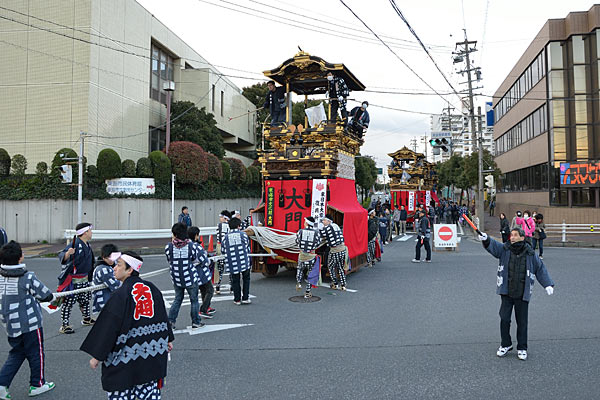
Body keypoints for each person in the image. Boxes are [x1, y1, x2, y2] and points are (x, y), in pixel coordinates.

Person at [80, 251, 174, 399]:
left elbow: (108, 326)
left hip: (127, 358)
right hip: (151, 354)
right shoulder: (152, 288)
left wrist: (97, 356)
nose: (114, 268)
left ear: (130, 270)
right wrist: (168, 337)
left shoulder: (121, 294)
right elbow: (161, 316)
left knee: (121, 390)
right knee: (148, 392)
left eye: (118, 265)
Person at [478, 228, 554, 361]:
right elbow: (495, 247)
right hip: (506, 291)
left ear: (522, 237)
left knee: (522, 322)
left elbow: (540, 268)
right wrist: (486, 239)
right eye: (511, 235)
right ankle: (505, 344)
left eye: (515, 235)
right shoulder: (505, 249)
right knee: (504, 319)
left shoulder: (530, 253)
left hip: (522, 293)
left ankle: (522, 347)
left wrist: (547, 284)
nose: (512, 237)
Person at [0, 241, 55, 398]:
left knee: (17, 353)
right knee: (36, 353)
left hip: (10, 324)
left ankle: (1, 384)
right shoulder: (27, 277)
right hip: (30, 324)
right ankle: (37, 384)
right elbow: (46, 295)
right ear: (20, 258)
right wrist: (53, 298)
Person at [57, 222, 95, 334]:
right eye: (90, 231)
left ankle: (86, 318)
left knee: (85, 299)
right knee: (69, 302)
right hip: (73, 280)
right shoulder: (75, 244)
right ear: (85, 232)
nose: (91, 233)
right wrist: (67, 254)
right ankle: (64, 325)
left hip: (84, 277)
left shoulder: (87, 244)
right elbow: (63, 255)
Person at [165, 222, 203, 330]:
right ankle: (196, 322)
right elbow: (194, 259)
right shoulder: (191, 245)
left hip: (176, 277)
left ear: (175, 234)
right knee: (194, 300)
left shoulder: (169, 247)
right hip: (190, 277)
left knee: (178, 298)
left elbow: (169, 260)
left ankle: (171, 322)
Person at [222, 217, 252, 305]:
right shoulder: (243, 235)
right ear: (239, 226)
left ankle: (237, 299)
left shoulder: (225, 237)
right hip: (244, 261)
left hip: (232, 262)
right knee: (246, 279)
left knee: (235, 280)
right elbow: (247, 248)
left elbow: (223, 250)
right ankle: (245, 298)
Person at [188, 227, 216, 319]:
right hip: (201, 272)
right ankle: (203, 309)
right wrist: (210, 261)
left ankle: (206, 306)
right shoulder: (197, 246)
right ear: (196, 236)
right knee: (210, 290)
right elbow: (204, 260)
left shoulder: (187, 245)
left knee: (203, 290)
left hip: (193, 272)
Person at [91, 244, 121, 314]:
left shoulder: (108, 265)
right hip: (104, 300)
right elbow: (114, 285)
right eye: (108, 257)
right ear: (103, 257)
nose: (111, 260)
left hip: (107, 298)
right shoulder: (103, 269)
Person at [320, 214, 347, 291]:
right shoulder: (336, 226)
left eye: (324, 220)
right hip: (342, 249)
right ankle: (343, 285)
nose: (323, 222)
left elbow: (320, 234)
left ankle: (335, 283)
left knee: (331, 266)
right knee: (340, 267)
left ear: (329, 221)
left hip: (335, 250)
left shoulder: (328, 227)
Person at [296, 217, 321, 298]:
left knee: (300, 269)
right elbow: (318, 243)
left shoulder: (300, 231)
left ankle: (299, 283)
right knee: (311, 272)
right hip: (311, 256)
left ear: (306, 223)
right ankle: (307, 292)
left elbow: (297, 241)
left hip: (302, 255)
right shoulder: (316, 232)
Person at [215, 210, 232, 295]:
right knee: (230, 267)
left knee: (219, 268)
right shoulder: (231, 226)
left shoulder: (220, 225)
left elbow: (220, 238)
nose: (220, 219)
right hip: (229, 248)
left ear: (225, 218)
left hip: (220, 246)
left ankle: (218, 286)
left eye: (221, 217)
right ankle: (232, 286)